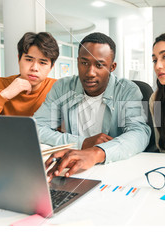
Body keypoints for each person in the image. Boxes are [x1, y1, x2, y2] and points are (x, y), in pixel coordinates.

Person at [34, 32, 150, 180]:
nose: (90, 72)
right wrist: (82, 143)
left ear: (112, 67)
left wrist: (97, 152)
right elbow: (37, 128)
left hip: (114, 170)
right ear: (77, 62)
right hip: (72, 170)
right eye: (84, 63)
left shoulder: (127, 90)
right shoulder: (62, 87)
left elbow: (140, 133)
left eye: (99, 65)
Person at [0, 32, 59, 116]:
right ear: (19, 59)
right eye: (28, 60)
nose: (34, 68)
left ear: (51, 67)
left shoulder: (58, 88)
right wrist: (4, 95)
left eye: (42, 63)